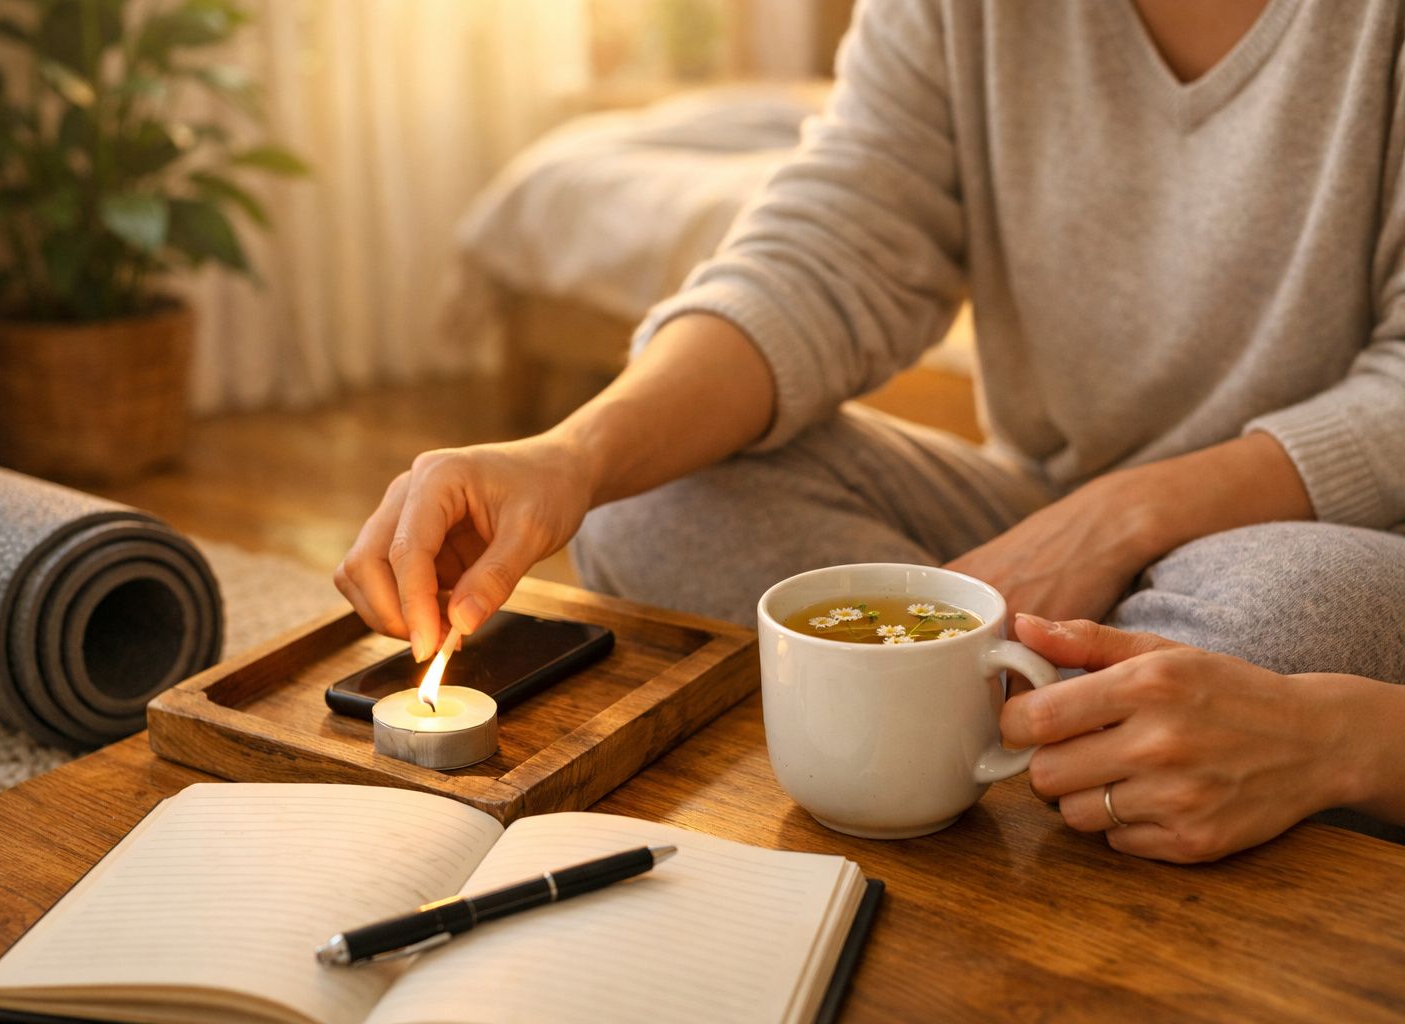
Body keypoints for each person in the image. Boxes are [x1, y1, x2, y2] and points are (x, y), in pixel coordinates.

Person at [336, 0, 1405, 860]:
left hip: (1322, 546)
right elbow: (831, 247)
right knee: (663, 495)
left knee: (1285, 623)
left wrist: (1121, 516)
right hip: (1037, 515)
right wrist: (572, 454)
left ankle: (1064, 728)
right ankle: (1110, 746)